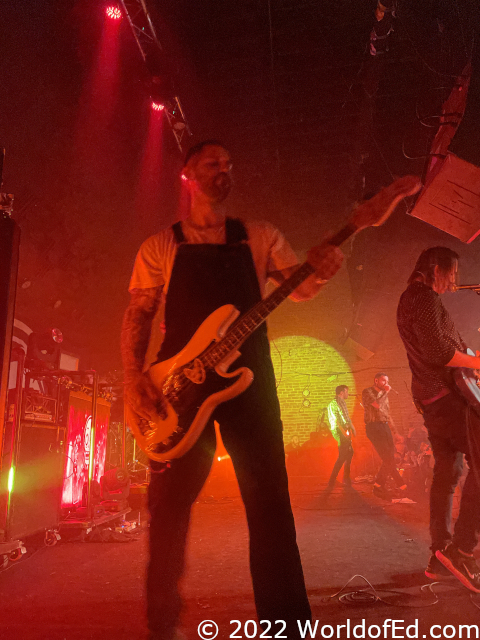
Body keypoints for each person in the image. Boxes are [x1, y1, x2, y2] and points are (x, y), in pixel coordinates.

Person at [121, 140, 344, 640]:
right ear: (187, 175)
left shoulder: (259, 236)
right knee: (168, 510)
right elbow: (139, 312)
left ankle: (286, 629)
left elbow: (301, 287)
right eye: (212, 162)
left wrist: (323, 267)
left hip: (250, 384)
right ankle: (162, 627)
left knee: (270, 506)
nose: (224, 169)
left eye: (229, 163)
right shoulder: (162, 245)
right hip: (176, 390)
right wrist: (134, 377)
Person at [397, 246, 480, 591]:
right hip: (448, 401)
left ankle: (440, 557)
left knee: (448, 473)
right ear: (433, 269)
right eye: (451, 274)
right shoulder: (422, 298)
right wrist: (476, 362)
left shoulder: (415, 300)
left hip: (434, 401)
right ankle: (462, 550)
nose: (454, 281)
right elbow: (441, 352)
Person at [362, 373, 407, 500]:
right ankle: (399, 484)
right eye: (383, 381)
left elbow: (387, 414)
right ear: (376, 380)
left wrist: (395, 432)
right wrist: (386, 393)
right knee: (387, 457)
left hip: (384, 426)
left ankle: (381, 485)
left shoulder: (384, 395)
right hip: (374, 427)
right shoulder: (367, 392)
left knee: (390, 455)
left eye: (387, 381)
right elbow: (377, 405)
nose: (386, 383)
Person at [326, 385, 355, 488]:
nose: (348, 393)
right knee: (343, 456)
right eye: (347, 391)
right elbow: (341, 419)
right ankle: (333, 481)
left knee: (349, 453)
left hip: (341, 431)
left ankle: (345, 478)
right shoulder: (338, 402)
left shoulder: (336, 402)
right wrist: (347, 430)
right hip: (341, 431)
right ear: (342, 392)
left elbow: (343, 417)